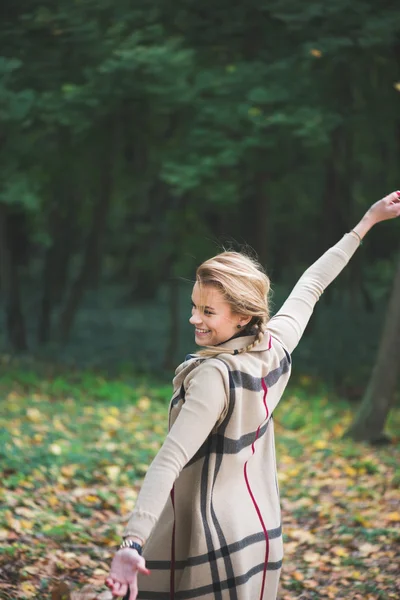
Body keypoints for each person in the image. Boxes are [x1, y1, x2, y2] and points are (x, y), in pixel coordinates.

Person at [105, 191, 400, 600]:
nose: (194, 318)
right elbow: (311, 285)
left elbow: (169, 459)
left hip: (206, 539)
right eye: (194, 306)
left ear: (243, 316)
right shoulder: (273, 348)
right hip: (258, 534)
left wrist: (131, 543)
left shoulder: (213, 376)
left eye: (208, 312)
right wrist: (366, 223)